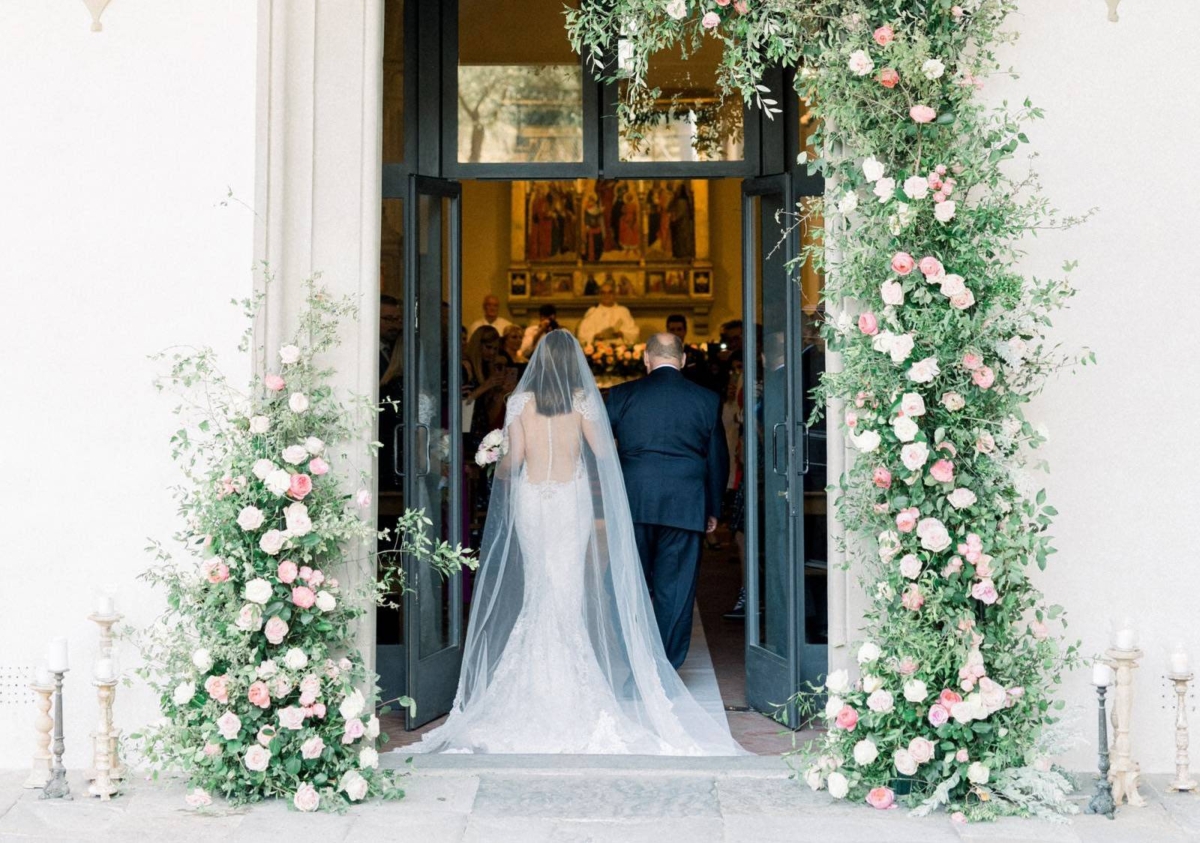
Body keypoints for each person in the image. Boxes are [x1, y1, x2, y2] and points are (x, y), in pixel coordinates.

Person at [409, 330, 741, 755]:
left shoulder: (519, 403)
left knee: (539, 590)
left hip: (533, 501)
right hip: (571, 502)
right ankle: (576, 680)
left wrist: (496, 453)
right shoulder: (583, 402)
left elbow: (512, 468)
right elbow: (604, 455)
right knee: (566, 588)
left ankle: (534, 683)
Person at [605, 333, 729, 669]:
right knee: (675, 590)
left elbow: (600, 451)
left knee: (628, 582)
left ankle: (633, 657)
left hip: (633, 501)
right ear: (684, 360)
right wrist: (713, 506)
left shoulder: (620, 395)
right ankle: (665, 668)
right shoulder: (706, 399)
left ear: (646, 359)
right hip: (685, 504)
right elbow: (717, 458)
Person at [666, 314, 713, 393]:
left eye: (679, 329)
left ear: (685, 331)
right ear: (667, 332)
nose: (676, 333)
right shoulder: (660, 356)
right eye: (672, 330)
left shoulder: (697, 355)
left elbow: (704, 381)